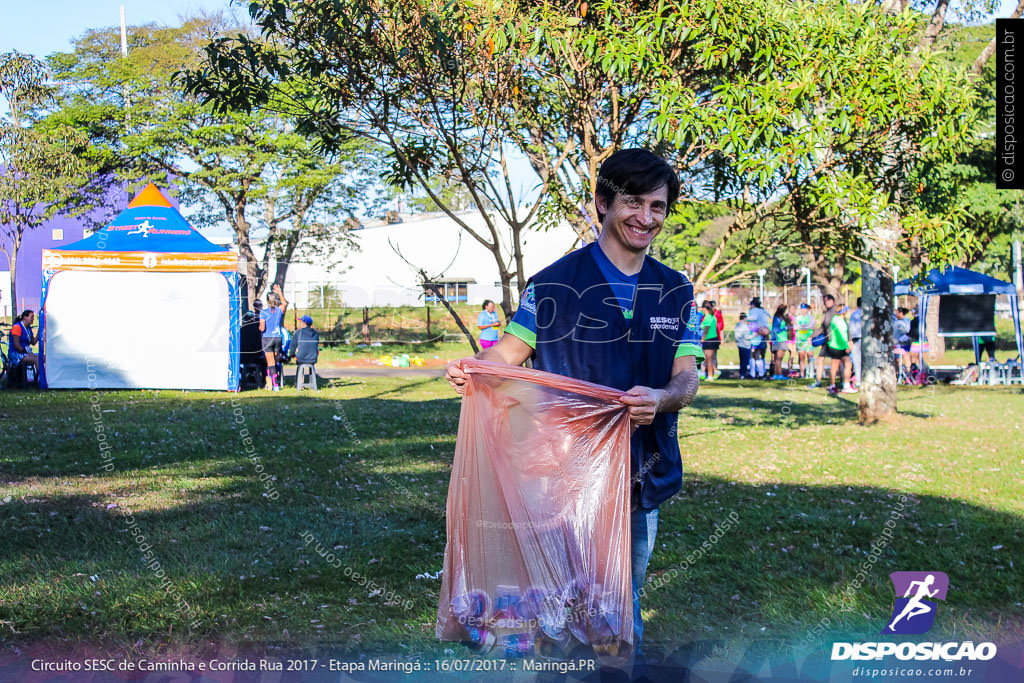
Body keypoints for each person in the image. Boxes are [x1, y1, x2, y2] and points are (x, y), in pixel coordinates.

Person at [445, 148, 702, 674]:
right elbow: (508, 356)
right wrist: (474, 368)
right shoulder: (552, 286)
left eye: (657, 207)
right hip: (559, 479)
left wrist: (663, 398)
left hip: (637, 477)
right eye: (633, 202)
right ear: (603, 203)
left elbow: (687, 377)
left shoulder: (675, 291)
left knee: (617, 609)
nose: (645, 218)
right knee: (555, 612)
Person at [259, 284, 288, 391]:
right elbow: (284, 303)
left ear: (267, 301)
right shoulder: (279, 310)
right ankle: (270, 381)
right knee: (274, 362)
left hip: (267, 338)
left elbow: (262, 328)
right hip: (278, 338)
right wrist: (279, 291)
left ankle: (275, 385)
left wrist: (260, 326)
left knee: (270, 363)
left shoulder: (263, 312)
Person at [826, 305, 856, 395]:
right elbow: (840, 336)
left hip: (840, 347)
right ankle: (834, 386)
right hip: (837, 347)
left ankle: (845, 385)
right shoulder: (837, 321)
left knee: (848, 365)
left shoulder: (840, 320)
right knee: (835, 367)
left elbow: (845, 334)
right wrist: (846, 346)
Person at [810, 294, 837, 389]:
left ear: (831, 301)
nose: (824, 303)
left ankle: (839, 383)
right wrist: (812, 336)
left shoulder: (835, 311)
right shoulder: (827, 312)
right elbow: (822, 327)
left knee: (837, 362)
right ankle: (818, 381)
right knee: (820, 359)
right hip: (827, 341)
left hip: (835, 342)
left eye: (825, 301)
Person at [7, 310, 39, 382]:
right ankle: (40, 381)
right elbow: (17, 345)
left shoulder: (28, 328)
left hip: (26, 353)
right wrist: (29, 354)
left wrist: (39, 333)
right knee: (36, 359)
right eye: (31, 317)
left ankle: (44, 378)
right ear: (25, 317)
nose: (33, 319)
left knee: (43, 357)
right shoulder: (17, 327)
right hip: (16, 353)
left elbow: (33, 342)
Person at [746, 297, 771, 379]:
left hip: (757, 335)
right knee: (761, 354)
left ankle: (756, 373)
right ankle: (761, 372)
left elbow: (750, 319)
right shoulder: (762, 310)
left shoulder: (754, 311)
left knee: (754, 354)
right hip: (764, 334)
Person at [700, 300, 720, 380]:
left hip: (709, 340)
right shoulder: (713, 317)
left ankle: (710, 376)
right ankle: (715, 372)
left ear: (705, 309)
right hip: (714, 339)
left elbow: (706, 329)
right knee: (712, 358)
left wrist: (702, 339)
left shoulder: (708, 318)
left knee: (708, 359)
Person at [795, 303, 815, 379]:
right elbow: (796, 327)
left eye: (805, 309)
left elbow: (811, 326)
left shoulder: (811, 317)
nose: (803, 310)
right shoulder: (797, 318)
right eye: (802, 309)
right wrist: (805, 327)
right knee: (801, 357)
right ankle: (802, 374)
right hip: (800, 340)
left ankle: (811, 373)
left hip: (808, 339)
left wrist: (802, 327)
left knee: (810, 356)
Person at [770, 304, 790, 380]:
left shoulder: (779, 318)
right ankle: (779, 374)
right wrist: (784, 328)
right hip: (780, 340)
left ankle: (776, 374)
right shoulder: (778, 318)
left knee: (777, 359)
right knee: (779, 359)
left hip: (780, 340)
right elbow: (775, 330)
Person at [849, 297, 863, 388]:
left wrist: (850, 340)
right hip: (866, 339)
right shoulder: (869, 314)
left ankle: (858, 380)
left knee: (857, 361)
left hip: (856, 338)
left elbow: (850, 329)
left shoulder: (854, 314)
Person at [734, 312, 753, 379]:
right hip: (745, 345)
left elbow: (736, 336)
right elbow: (747, 337)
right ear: (745, 318)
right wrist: (755, 335)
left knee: (742, 360)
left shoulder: (737, 325)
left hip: (740, 345)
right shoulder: (744, 326)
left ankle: (742, 373)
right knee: (745, 361)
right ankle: (743, 374)